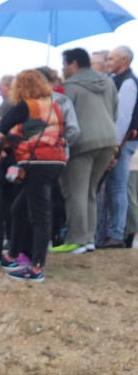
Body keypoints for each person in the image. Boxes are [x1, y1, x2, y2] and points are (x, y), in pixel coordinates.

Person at [0, 70, 71, 282]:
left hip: (37, 161)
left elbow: (2, 126)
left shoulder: (26, 106)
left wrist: (8, 140)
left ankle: (37, 267)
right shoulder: (53, 105)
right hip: (56, 161)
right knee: (19, 208)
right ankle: (12, 254)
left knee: (40, 214)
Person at [57, 49, 119, 254]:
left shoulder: (70, 87)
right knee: (90, 191)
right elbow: (115, 110)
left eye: (64, 64)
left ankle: (76, 239)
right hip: (108, 140)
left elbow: (62, 117)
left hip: (82, 143)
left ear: (73, 64)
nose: (63, 68)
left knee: (75, 192)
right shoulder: (108, 82)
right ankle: (89, 239)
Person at [97, 46, 137, 248]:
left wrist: (114, 147)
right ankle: (113, 232)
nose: (107, 61)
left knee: (117, 187)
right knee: (115, 187)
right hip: (120, 140)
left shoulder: (128, 82)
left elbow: (123, 117)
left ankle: (116, 234)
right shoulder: (118, 80)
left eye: (111, 58)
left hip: (122, 142)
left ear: (124, 60)